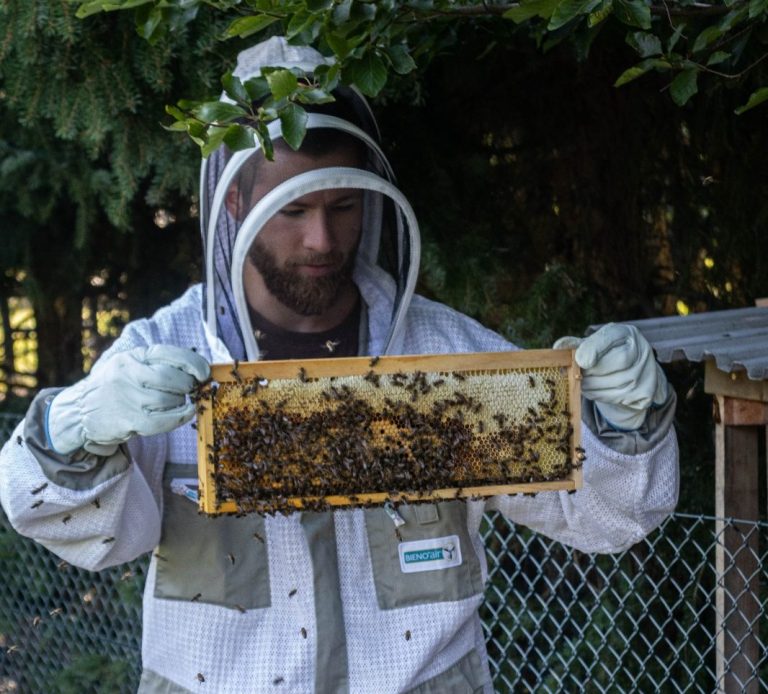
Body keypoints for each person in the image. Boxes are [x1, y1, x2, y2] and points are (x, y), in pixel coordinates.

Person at [0, 37, 678, 693]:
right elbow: (79, 528)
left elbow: (607, 515)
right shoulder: (166, 352)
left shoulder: (439, 352)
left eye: (343, 206)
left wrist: (624, 424)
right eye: (293, 209)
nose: (322, 239)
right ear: (235, 202)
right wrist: (75, 431)